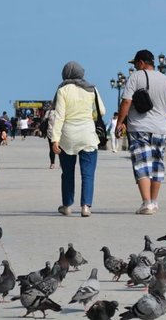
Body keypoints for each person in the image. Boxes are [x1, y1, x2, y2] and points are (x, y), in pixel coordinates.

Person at [116, 49, 166, 215]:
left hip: (139, 127)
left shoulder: (136, 77)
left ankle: (146, 203)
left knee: (142, 164)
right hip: (160, 129)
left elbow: (126, 101)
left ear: (140, 62)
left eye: (136, 64)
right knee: (156, 165)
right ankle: (154, 202)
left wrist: (119, 122)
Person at [51, 61, 105, 217]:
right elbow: (101, 110)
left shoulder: (63, 90)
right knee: (88, 174)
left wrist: (55, 139)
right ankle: (86, 206)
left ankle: (67, 205)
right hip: (88, 135)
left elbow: (59, 116)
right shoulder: (91, 89)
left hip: (68, 136)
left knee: (67, 173)